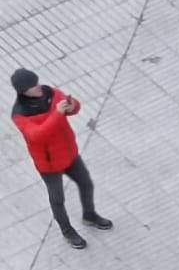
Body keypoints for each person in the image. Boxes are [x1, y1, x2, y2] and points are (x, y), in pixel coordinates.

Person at [10, 69, 112, 250]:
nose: (38, 87)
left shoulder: (51, 93)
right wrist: (57, 113)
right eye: (33, 86)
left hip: (68, 152)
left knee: (86, 183)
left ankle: (89, 215)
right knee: (57, 199)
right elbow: (38, 136)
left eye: (37, 82)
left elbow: (72, 109)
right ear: (23, 91)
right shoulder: (20, 114)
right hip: (48, 164)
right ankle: (67, 231)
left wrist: (72, 106)